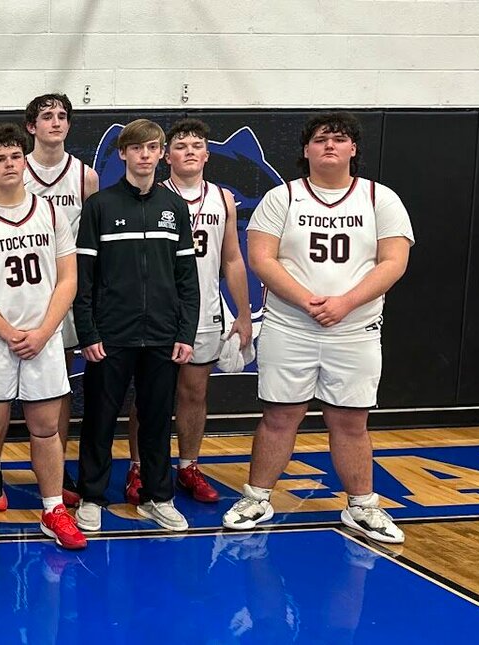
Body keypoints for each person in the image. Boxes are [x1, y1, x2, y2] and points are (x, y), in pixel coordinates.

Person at [223, 112, 414, 544]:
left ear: (353, 150)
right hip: (291, 327)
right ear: (306, 150)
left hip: (355, 329)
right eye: (321, 139)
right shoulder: (282, 198)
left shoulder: (379, 198)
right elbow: (262, 259)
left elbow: (394, 262)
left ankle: (362, 506)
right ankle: (257, 497)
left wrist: (345, 302)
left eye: (340, 139)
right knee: (279, 416)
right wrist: (307, 301)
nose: (330, 144)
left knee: (350, 421)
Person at [0, 123, 87, 553]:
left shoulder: (50, 213)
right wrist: (10, 332)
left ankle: (52, 509)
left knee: (46, 429)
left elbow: (68, 279)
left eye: (14, 157)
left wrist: (45, 331)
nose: (9, 165)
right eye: (0, 159)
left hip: (43, 338)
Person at [72, 118, 199, 533]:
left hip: (163, 336)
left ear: (161, 155)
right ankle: (92, 498)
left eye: (152, 148)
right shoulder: (100, 206)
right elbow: (84, 277)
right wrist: (89, 332)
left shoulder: (174, 207)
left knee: (158, 420)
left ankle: (157, 498)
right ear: (123, 154)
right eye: (137, 148)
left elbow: (187, 279)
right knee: (100, 420)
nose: (145, 155)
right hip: (110, 336)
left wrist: (185, 332)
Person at [124, 119, 254, 506]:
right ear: (167, 156)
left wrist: (243, 314)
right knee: (149, 395)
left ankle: (188, 465)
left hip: (205, 309)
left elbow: (232, 258)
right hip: (159, 311)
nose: (191, 151)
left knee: (195, 391)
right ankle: (139, 467)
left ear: (208, 154)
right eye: (181, 146)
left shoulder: (223, 199)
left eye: (198, 145)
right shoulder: (153, 193)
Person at [0, 93, 101, 511]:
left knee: (60, 379)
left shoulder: (85, 176)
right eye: (46, 116)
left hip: (62, 291)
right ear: (31, 126)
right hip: (16, 294)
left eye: (62, 116)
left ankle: (58, 463)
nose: (55, 122)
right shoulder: (15, 166)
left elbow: (88, 242)